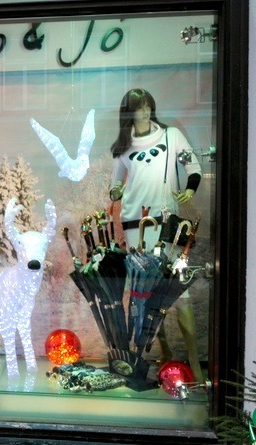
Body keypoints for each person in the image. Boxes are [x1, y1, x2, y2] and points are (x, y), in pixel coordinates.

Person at [109, 88, 203, 381]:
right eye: (139, 108)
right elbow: (115, 185)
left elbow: (193, 166)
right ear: (130, 112)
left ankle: (196, 366)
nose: (145, 112)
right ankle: (164, 354)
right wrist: (116, 191)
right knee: (145, 295)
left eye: (148, 106)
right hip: (134, 225)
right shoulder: (123, 147)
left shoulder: (171, 136)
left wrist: (190, 189)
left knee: (179, 293)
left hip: (166, 223)